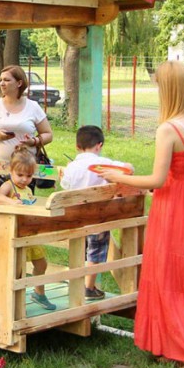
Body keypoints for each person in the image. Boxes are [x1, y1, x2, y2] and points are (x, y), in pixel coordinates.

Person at [99, 60, 184, 368]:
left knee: (167, 276)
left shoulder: (169, 129)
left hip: (172, 208)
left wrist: (118, 176)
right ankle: (174, 345)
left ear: (167, 90)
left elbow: (157, 179)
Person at [60, 125, 134, 300]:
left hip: (76, 216)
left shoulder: (72, 167)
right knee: (96, 250)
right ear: (99, 145)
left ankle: (77, 283)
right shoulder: (103, 164)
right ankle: (89, 287)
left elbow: (65, 185)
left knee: (79, 248)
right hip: (98, 216)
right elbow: (129, 169)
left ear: (77, 146)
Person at [0, 145, 55, 310]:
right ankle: (10, 300)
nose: (24, 179)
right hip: (15, 235)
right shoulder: (9, 186)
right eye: (19, 175)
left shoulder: (27, 189)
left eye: (28, 176)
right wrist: (11, 202)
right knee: (16, 269)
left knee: (41, 264)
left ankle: (39, 293)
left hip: (30, 234)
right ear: (11, 170)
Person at [0, 65, 53, 189]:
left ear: (19, 83)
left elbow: (48, 134)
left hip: (24, 170)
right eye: (0, 80)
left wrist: (34, 141)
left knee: (22, 201)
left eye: (7, 80)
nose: (2, 83)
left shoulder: (33, 106)